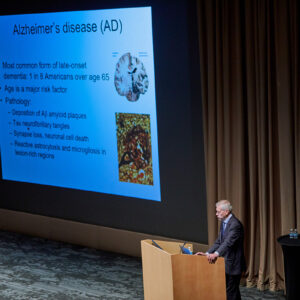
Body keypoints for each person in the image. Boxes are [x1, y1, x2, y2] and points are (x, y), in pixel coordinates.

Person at [196, 200, 246, 300]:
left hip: (234, 264)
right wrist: (207, 253)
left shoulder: (235, 225)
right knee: (231, 291)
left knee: (231, 291)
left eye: (218, 212)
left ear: (226, 211)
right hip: (226, 263)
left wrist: (215, 254)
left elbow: (227, 243)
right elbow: (219, 241)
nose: (216, 214)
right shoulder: (224, 222)